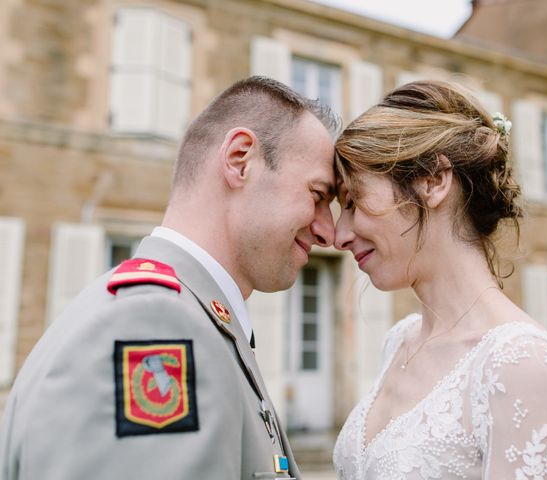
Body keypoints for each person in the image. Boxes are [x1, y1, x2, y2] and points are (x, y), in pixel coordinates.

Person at [0, 76, 339, 480]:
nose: (328, 232)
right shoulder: (157, 324)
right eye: (318, 195)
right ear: (239, 159)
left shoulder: (192, 318)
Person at [331, 80, 547, 479]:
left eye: (353, 201)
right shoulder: (399, 341)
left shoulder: (524, 363)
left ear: (433, 182)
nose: (339, 234)